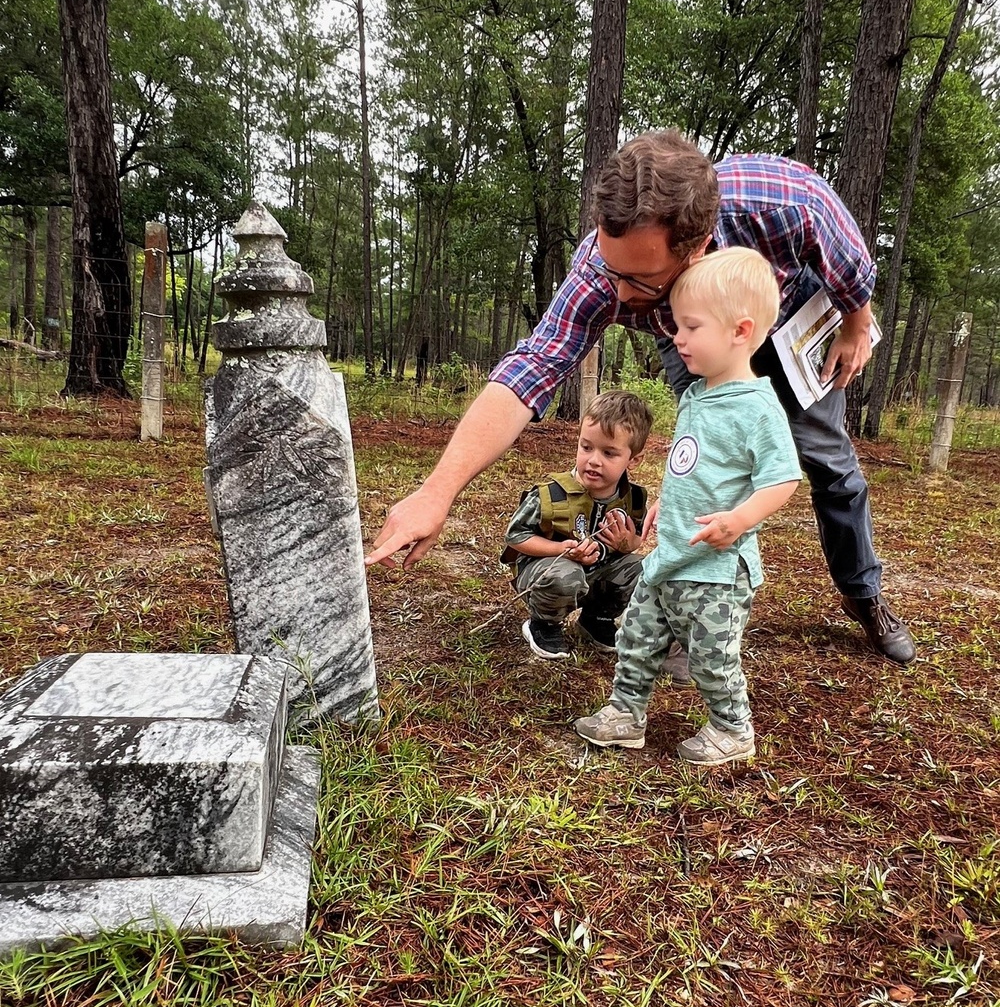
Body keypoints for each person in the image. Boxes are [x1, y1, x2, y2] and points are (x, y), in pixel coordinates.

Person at [366, 129, 916, 666]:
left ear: (698, 247)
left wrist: (855, 324)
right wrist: (438, 491)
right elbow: (533, 365)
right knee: (703, 464)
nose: (618, 293)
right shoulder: (604, 270)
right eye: (612, 268)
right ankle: (690, 612)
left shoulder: (780, 203)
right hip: (690, 324)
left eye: (641, 280)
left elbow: (849, 262)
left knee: (828, 463)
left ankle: (863, 595)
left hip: (790, 319)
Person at [573, 248, 800, 763]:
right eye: (676, 325)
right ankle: (626, 714)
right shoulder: (696, 395)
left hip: (717, 570)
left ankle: (732, 729)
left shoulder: (759, 408)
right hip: (669, 558)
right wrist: (665, 507)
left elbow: (782, 479)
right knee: (636, 635)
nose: (677, 338)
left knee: (712, 657)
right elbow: (692, 465)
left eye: (691, 327)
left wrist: (738, 520)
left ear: (739, 332)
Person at [503, 390, 652, 661]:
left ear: (634, 459)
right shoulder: (551, 493)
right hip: (546, 573)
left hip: (596, 575)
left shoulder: (634, 498)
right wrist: (560, 548)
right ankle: (544, 623)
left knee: (647, 569)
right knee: (565, 574)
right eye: (586, 447)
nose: (594, 460)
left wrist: (626, 543)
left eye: (609, 453)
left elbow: (635, 542)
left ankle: (596, 619)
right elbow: (515, 536)